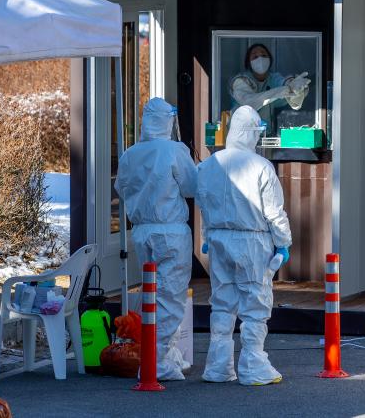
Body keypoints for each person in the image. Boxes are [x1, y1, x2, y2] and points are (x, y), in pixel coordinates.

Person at [196, 105, 292, 385]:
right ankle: (253, 365)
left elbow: (203, 203)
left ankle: (218, 367)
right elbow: (274, 212)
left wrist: (207, 236)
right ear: (251, 133)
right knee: (255, 304)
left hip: (219, 240)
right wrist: (283, 243)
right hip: (252, 242)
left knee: (222, 303)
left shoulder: (208, 165)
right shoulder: (261, 166)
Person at [114, 97, 197, 381]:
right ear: (168, 121)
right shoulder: (173, 150)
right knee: (170, 297)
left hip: (142, 231)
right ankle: (156, 361)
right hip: (170, 231)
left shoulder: (130, 154)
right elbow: (192, 186)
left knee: (152, 295)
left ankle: (163, 354)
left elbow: (121, 188)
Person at [230, 43, 310, 135]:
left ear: (270, 59)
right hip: (241, 136)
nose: (260, 59)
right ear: (248, 62)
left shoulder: (273, 78)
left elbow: (285, 83)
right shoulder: (241, 80)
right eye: (255, 56)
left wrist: (294, 86)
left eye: (264, 55)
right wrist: (281, 91)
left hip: (265, 135)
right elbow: (249, 102)